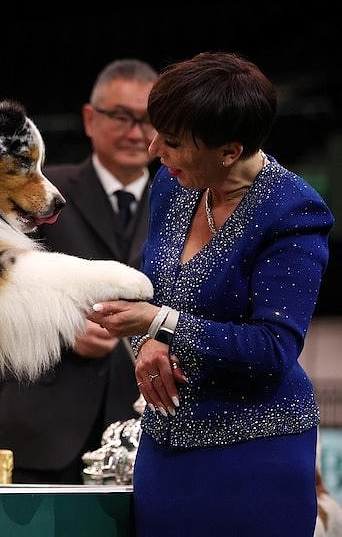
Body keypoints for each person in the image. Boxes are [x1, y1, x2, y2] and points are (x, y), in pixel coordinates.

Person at [87, 51, 334, 535]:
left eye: (174, 142)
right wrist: (150, 343)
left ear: (229, 151)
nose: (155, 148)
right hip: (165, 453)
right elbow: (159, 295)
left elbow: (272, 348)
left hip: (256, 456)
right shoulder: (173, 184)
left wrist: (158, 324)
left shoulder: (295, 212)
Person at [0, 58, 159, 483]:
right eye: (121, 116)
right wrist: (61, 328)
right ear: (89, 119)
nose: (136, 133)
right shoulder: (35, 192)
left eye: (149, 119)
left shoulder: (191, 205)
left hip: (149, 431)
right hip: (40, 429)